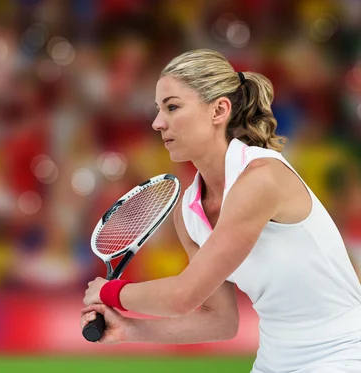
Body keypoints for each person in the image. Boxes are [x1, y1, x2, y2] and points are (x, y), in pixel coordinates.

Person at [81, 49, 361, 373]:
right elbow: (220, 320)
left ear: (219, 110)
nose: (158, 123)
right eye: (158, 109)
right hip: (274, 362)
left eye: (172, 107)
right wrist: (131, 330)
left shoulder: (260, 179)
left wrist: (109, 292)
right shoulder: (187, 212)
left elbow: (183, 295)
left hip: (344, 355)